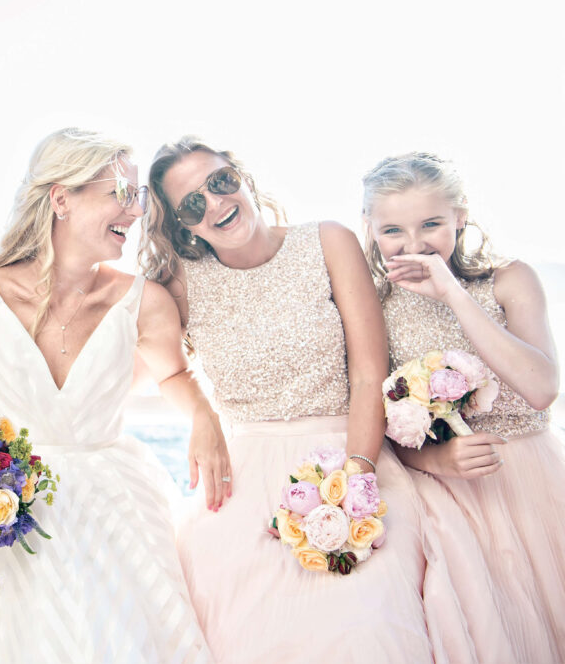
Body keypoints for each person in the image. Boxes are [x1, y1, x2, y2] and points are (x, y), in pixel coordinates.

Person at [138, 137, 507, 663]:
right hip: (242, 484)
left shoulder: (328, 241)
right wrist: (200, 414)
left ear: (240, 177)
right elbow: (166, 369)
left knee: (367, 626)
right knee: (237, 628)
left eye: (220, 182)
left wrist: (355, 478)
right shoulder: (176, 284)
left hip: (353, 454)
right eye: (193, 203)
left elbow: (368, 370)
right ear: (181, 226)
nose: (216, 203)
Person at [0, 128, 219, 662]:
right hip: (7, 502)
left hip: (113, 505)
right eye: (120, 194)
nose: (133, 213)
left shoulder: (143, 300)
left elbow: (175, 376)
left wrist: (204, 418)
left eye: (138, 197)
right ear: (61, 198)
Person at [363, 151, 564, 662]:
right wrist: (436, 460)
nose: (414, 244)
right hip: (446, 493)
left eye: (431, 223)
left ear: (460, 216)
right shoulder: (372, 304)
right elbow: (379, 423)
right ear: (369, 228)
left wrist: (453, 294)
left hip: (530, 480)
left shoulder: (509, 279)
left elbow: (541, 388)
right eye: (393, 230)